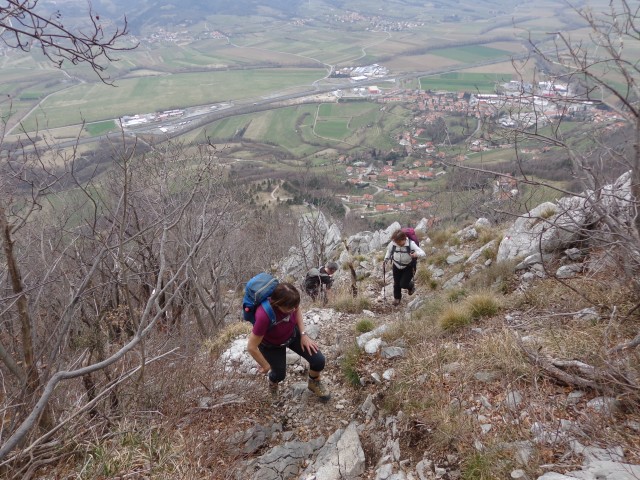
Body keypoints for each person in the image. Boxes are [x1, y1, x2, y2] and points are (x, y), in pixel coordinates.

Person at [246, 282, 331, 402]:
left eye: (295, 306)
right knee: (279, 375)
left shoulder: (292, 304)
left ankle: (314, 382)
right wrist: (265, 366)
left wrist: (303, 334)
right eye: (290, 308)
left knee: (318, 360)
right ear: (277, 304)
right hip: (271, 345)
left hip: (292, 335)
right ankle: (273, 384)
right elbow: (251, 346)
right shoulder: (263, 316)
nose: (293, 310)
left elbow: (297, 310)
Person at [384, 229, 426, 306]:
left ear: (404, 239)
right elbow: (389, 251)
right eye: (396, 242)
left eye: (399, 242)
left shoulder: (411, 243)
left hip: (408, 266)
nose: (397, 244)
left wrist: (416, 254)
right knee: (396, 283)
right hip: (396, 265)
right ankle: (397, 298)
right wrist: (386, 259)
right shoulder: (393, 243)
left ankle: (411, 286)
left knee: (403, 284)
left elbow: (423, 253)